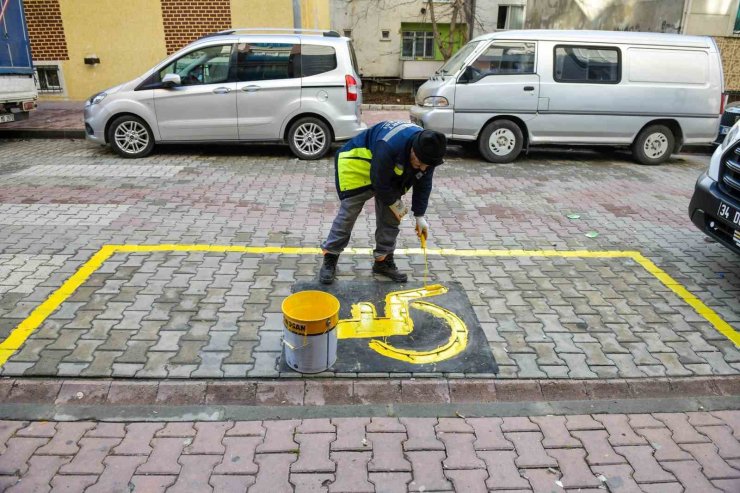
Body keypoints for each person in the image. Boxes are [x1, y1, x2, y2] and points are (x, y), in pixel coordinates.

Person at [319, 121, 447, 284]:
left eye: (426, 165)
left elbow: (424, 183)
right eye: (420, 163)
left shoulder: (429, 151)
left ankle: (383, 261)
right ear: (413, 149)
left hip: (387, 170)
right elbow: (380, 182)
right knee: (348, 214)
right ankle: (330, 256)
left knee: (391, 217)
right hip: (357, 164)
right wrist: (394, 203)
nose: (422, 168)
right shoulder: (388, 145)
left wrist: (419, 215)